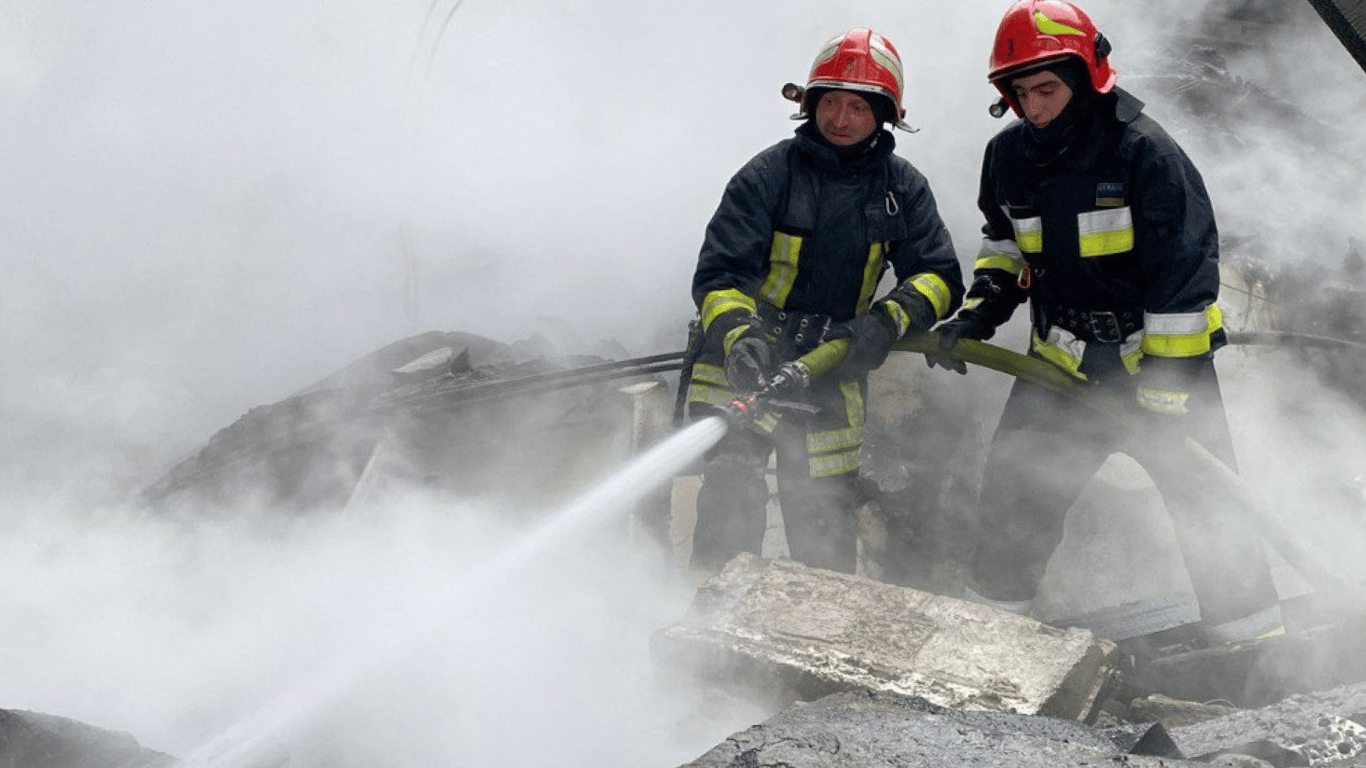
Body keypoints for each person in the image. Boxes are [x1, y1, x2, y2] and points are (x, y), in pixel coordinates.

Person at [930, 0, 1282, 645]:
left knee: (1208, 506)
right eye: (1020, 91)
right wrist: (980, 311)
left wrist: (1169, 378)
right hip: (1061, 361)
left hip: (1155, 364)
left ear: (1088, 76)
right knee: (1015, 495)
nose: (1034, 106)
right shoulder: (1008, 155)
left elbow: (1185, 264)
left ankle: (1252, 646)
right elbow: (1007, 244)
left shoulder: (1143, 151)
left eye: (1047, 88)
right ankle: (985, 643)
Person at [684, 27, 964, 575]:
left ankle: (820, 649)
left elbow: (939, 275)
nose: (839, 118)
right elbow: (718, 275)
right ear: (809, 105)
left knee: (824, 531)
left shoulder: (902, 189)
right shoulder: (767, 176)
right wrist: (740, 336)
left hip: (831, 366)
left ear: (884, 113)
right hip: (745, 362)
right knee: (728, 513)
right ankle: (706, 641)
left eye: (856, 105)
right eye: (829, 102)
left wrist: (883, 324)